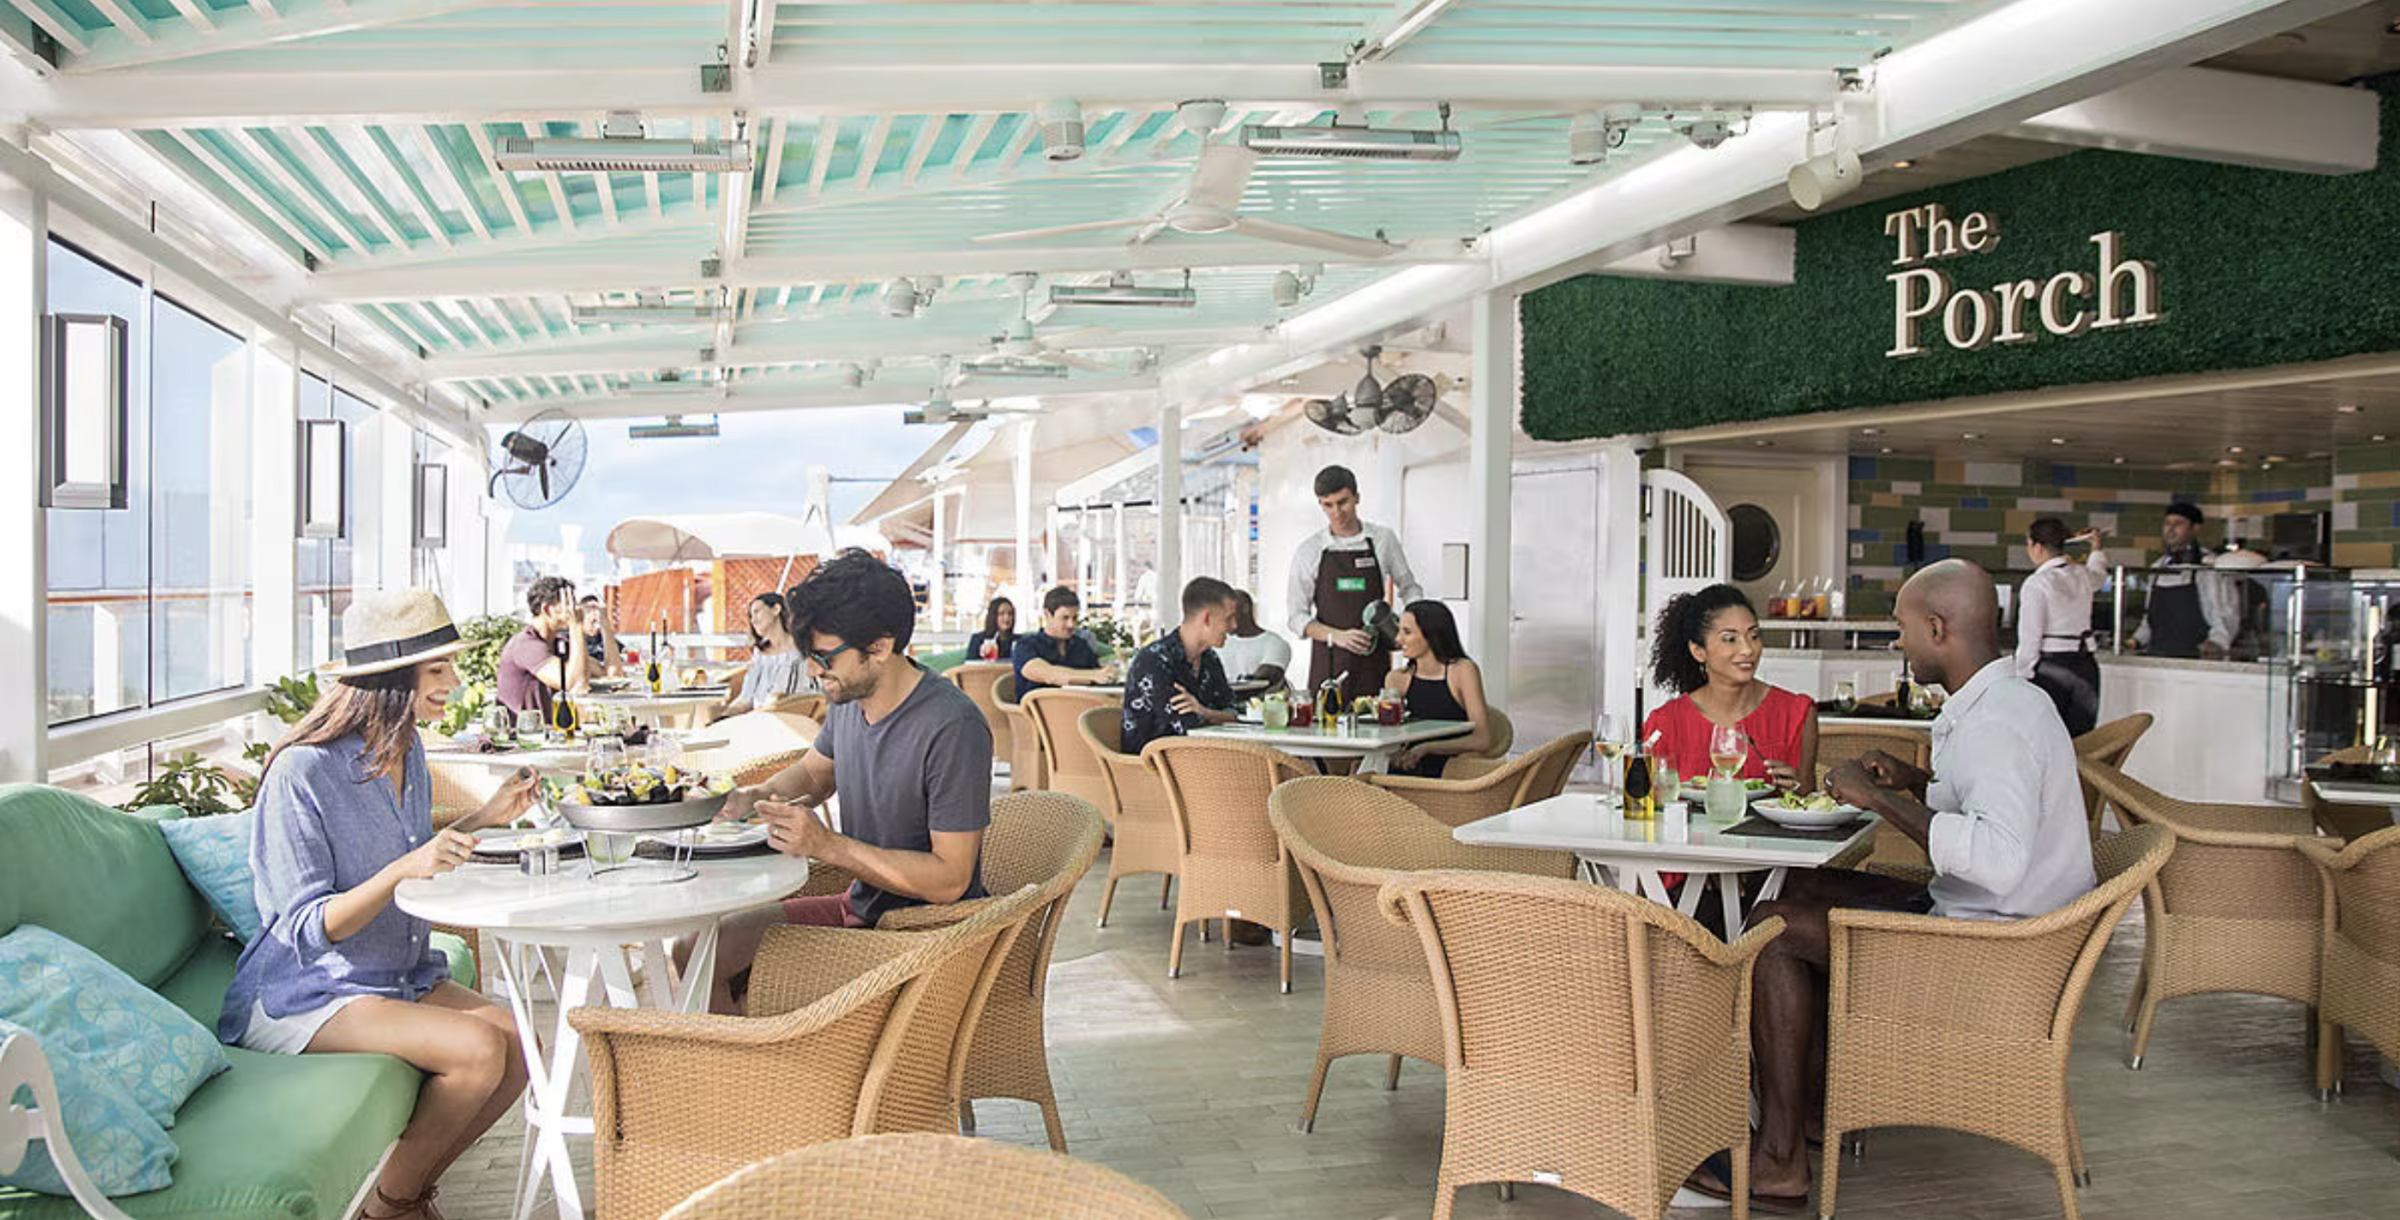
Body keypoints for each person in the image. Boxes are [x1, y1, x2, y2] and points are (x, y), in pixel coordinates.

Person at [1688, 560, 2095, 1213]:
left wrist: (1878, 798)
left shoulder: (1997, 724)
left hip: (1996, 953)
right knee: (1798, 889)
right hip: (2002, 923)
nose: (1898, 644)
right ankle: (1815, 1110)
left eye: (1902, 629)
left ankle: (1780, 1160)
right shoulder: (2004, 701)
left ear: (1938, 628)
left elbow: (1997, 860)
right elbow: (1991, 816)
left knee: (1774, 934)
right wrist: (1915, 781)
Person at [220, 589, 536, 1220]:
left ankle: (402, 1195)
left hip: (393, 972)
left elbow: (413, 850)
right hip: (308, 993)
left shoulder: (407, 749)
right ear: (394, 679)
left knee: (521, 1045)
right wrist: (403, 870)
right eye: (438, 669)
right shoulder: (301, 773)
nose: (454, 681)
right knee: (478, 1049)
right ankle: (394, 1207)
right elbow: (306, 929)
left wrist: (487, 817)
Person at [697, 550, 994, 1014]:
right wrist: (752, 797)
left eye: (823, 655)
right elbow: (815, 773)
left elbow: (951, 880)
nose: (813, 669)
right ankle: (751, 1082)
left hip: (920, 937)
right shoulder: (849, 699)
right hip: (862, 909)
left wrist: (828, 846)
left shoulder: (952, 726)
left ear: (879, 646)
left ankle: (785, 1073)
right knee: (697, 952)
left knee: (729, 969)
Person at [1641, 584, 1818, 791]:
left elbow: (1810, 798)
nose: (1747, 649)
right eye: (1730, 639)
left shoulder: (1797, 714)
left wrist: (1797, 788)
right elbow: (1646, 803)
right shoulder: (1665, 724)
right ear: (1699, 651)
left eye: (1754, 636)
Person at [1288, 465, 1422, 702]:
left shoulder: (1382, 539)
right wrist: (1337, 636)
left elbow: (1409, 588)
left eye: (1343, 502)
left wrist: (1409, 627)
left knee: (1379, 724)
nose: (1337, 512)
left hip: (1374, 659)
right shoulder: (1309, 551)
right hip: (1329, 661)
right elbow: (1297, 618)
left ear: (1357, 497)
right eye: (1328, 505)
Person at [1121, 578, 1242, 754]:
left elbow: (1234, 712)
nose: (1234, 626)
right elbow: (1187, 727)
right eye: (1229, 618)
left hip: (1202, 763)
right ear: (1207, 618)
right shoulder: (1154, 661)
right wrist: (1214, 715)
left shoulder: (1210, 659)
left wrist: (1205, 712)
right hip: (1152, 771)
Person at [2016, 518, 2110, 736]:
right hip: (2086, 666)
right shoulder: (2082, 574)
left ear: (2036, 546)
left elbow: (2030, 639)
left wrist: (2020, 678)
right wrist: (2096, 548)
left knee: (2047, 738)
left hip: (2052, 669)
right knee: (2080, 739)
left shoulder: (2037, 583)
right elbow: (2100, 574)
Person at [1383, 601, 1497, 778]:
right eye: (1399, 631)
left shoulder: (1462, 671)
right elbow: (1391, 736)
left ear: (1431, 635)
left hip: (1452, 775)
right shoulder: (1396, 678)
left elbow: (1483, 739)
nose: (1398, 639)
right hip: (1405, 772)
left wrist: (1428, 748)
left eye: (1407, 632)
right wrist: (1394, 753)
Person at [2135, 502, 2239, 659]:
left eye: (2178, 524)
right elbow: (2149, 618)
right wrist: (2135, 640)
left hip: (2197, 656)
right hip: (2156, 654)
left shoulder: (2209, 566)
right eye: (2167, 523)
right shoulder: (2157, 567)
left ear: (2195, 528)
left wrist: (2217, 642)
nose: (2170, 529)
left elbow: (2225, 612)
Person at [496, 576, 592, 718]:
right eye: (569, 604)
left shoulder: (559, 643)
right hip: (522, 736)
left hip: (552, 734)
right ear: (547, 609)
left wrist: (605, 625)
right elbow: (575, 683)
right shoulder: (525, 645)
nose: (575, 609)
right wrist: (576, 625)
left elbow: (611, 673)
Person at [714, 592, 813, 721]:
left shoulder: (802, 650)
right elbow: (746, 699)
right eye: (750, 616)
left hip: (793, 722)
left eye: (757, 612)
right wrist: (723, 718)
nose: (753, 620)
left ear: (776, 609)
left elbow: (806, 697)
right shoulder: (759, 655)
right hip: (760, 721)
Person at [1011, 585, 1116, 694]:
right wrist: (1093, 675)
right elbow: (1050, 675)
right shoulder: (1026, 645)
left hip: (1081, 707)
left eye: (1074, 618)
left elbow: (1099, 678)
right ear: (1047, 614)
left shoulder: (1081, 645)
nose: (1071, 624)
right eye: (1065, 618)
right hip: (1039, 710)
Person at [1215, 589, 1292, 690]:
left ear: (1245, 608)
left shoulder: (1275, 643)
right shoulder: (1218, 642)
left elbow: (1263, 681)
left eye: (1229, 613)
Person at [576, 594, 623, 677]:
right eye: (589, 611)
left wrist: (605, 626)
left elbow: (619, 666)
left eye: (597, 610)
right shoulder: (572, 640)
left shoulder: (607, 639)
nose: (595, 614)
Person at [966, 597, 1018, 663]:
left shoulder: (1019, 641)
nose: (1007, 617)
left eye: (1010, 614)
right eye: (1002, 613)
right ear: (993, 616)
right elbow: (970, 664)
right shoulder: (978, 639)